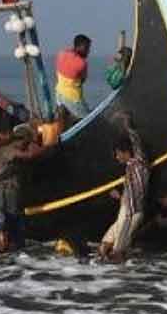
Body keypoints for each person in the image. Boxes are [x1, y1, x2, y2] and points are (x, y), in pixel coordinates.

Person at [0, 124, 54, 253]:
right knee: (4, 228)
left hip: (8, 195)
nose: (27, 144)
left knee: (10, 232)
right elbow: (30, 155)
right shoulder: (7, 151)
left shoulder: (6, 152)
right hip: (4, 195)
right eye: (26, 141)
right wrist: (49, 146)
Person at [99, 112, 148, 262]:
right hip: (124, 209)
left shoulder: (139, 163)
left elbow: (136, 142)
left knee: (119, 250)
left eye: (118, 154)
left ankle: (119, 275)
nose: (116, 157)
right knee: (105, 244)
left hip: (132, 213)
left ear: (126, 152)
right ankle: (102, 272)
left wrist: (127, 124)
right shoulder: (128, 168)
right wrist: (120, 197)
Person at [55, 34, 92, 119]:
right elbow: (83, 80)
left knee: (63, 120)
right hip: (73, 98)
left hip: (59, 94)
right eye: (86, 48)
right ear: (79, 46)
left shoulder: (61, 54)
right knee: (87, 119)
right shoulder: (82, 63)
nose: (88, 51)